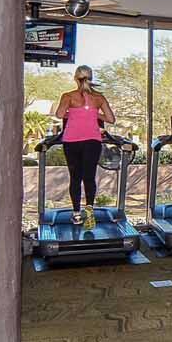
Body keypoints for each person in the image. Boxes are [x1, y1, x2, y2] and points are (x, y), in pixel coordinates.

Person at [53, 65, 116, 228]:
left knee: (75, 178)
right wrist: (93, 113)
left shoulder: (68, 96)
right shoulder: (99, 98)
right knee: (89, 177)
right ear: (91, 78)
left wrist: (73, 113)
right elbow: (111, 119)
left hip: (71, 141)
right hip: (92, 141)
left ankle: (76, 214)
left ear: (75, 78)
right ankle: (89, 211)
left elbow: (59, 114)